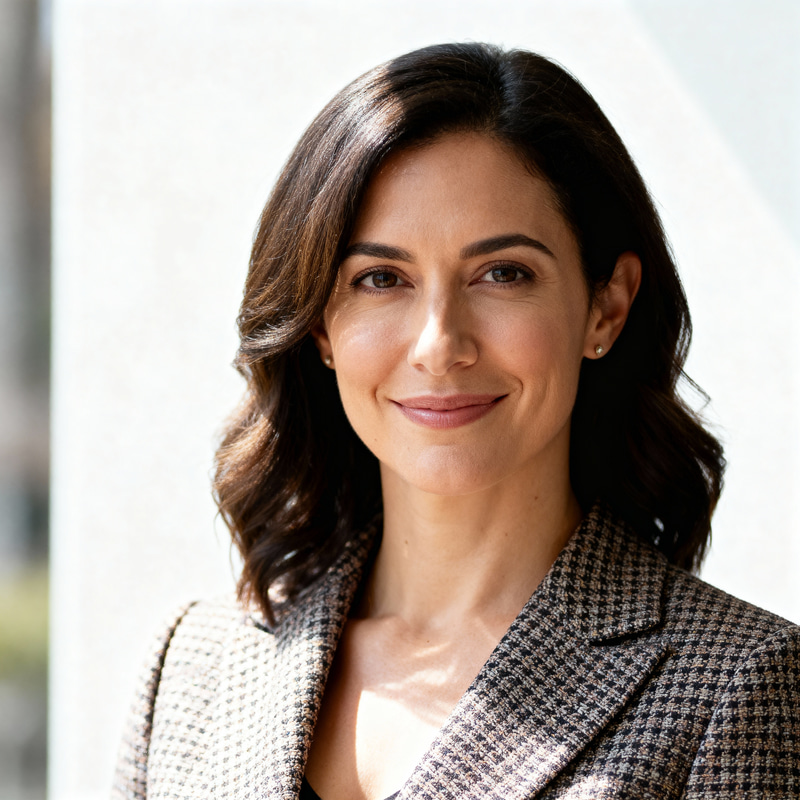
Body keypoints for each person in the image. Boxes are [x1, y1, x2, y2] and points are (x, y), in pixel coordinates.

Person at [112, 43, 799, 799]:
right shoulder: (191, 669)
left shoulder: (737, 687)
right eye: (380, 279)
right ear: (319, 328)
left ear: (607, 305)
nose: (440, 345)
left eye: (503, 273)